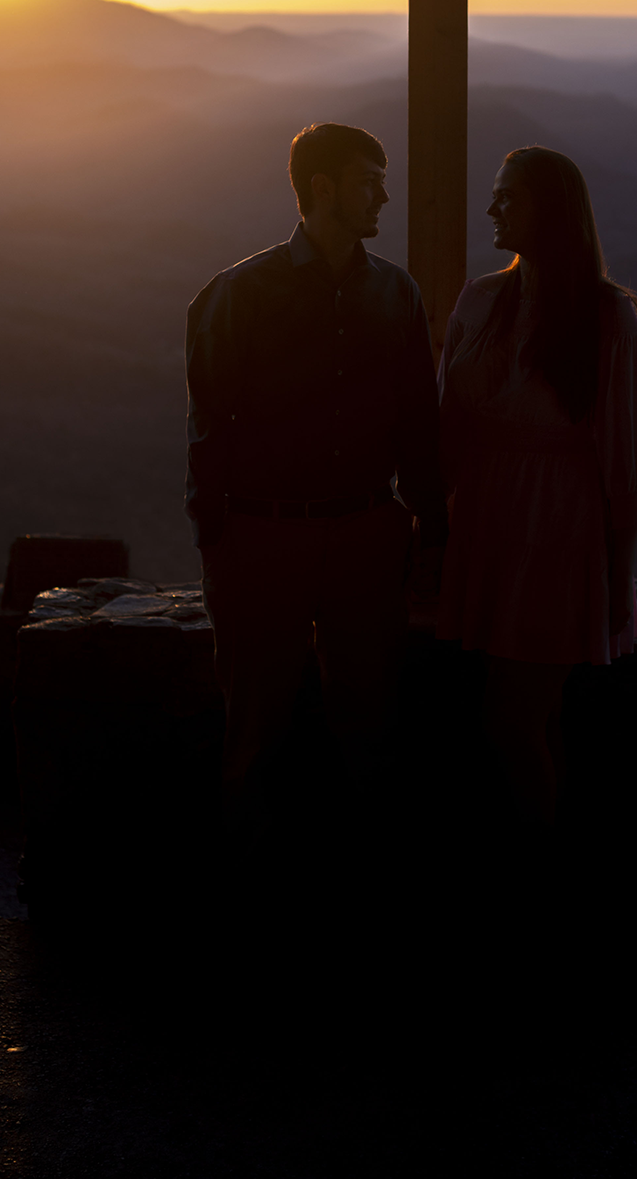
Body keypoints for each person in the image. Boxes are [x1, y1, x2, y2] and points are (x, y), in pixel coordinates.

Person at [185, 122, 445, 840]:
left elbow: (420, 425)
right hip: (260, 541)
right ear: (322, 189)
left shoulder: (397, 295)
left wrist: (432, 534)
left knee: (373, 731)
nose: (384, 198)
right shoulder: (238, 295)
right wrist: (219, 541)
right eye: (371, 181)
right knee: (254, 734)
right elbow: (210, 428)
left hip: (365, 536)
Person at [436, 145, 637, 828]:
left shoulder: (608, 318)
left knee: (511, 716)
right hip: (489, 521)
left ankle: (536, 878)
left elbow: (624, 460)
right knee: (536, 715)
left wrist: (619, 577)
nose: (494, 207)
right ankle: (548, 864)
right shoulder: (482, 299)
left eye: (510, 196)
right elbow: (446, 418)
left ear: (552, 211)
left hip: (556, 530)